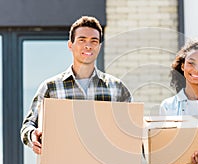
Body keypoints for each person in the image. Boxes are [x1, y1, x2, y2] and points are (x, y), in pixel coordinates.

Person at [20, 16, 131, 154]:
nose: (88, 45)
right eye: (82, 40)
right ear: (70, 45)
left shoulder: (117, 88)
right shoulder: (51, 88)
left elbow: (131, 129)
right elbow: (29, 125)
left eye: (94, 41)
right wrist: (32, 136)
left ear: (99, 47)